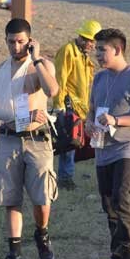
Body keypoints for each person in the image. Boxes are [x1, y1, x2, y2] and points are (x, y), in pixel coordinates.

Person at [0, 18, 59, 259]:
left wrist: (36, 59)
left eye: (20, 42)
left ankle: (42, 232)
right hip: (8, 139)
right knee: (10, 197)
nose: (15, 47)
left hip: (37, 139)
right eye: (10, 42)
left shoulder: (40, 65)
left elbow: (52, 90)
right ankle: (14, 253)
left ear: (29, 41)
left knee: (41, 198)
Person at [85, 28, 130, 259]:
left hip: (128, 147)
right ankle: (116, 256)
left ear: (117, 49)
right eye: (96, 49)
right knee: (108, 202)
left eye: (102, 49)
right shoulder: (99, 78)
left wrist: (116, 120)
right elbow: (91, 110)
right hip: (103, 148)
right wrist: (89, 123)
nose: (97, 54)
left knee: (121, 197)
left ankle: (129, 256)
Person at [52, 19, 101, 190]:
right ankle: (65, 179)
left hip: (81, 109)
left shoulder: (84, 56)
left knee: (79, 143)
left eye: (92, 41)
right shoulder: (68, 51)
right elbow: (60, 79)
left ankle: (67, 176)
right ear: (79, 36)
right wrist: (59, 106)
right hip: (68, 107)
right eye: (86, 39)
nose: (89, 43)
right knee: (69, 143)